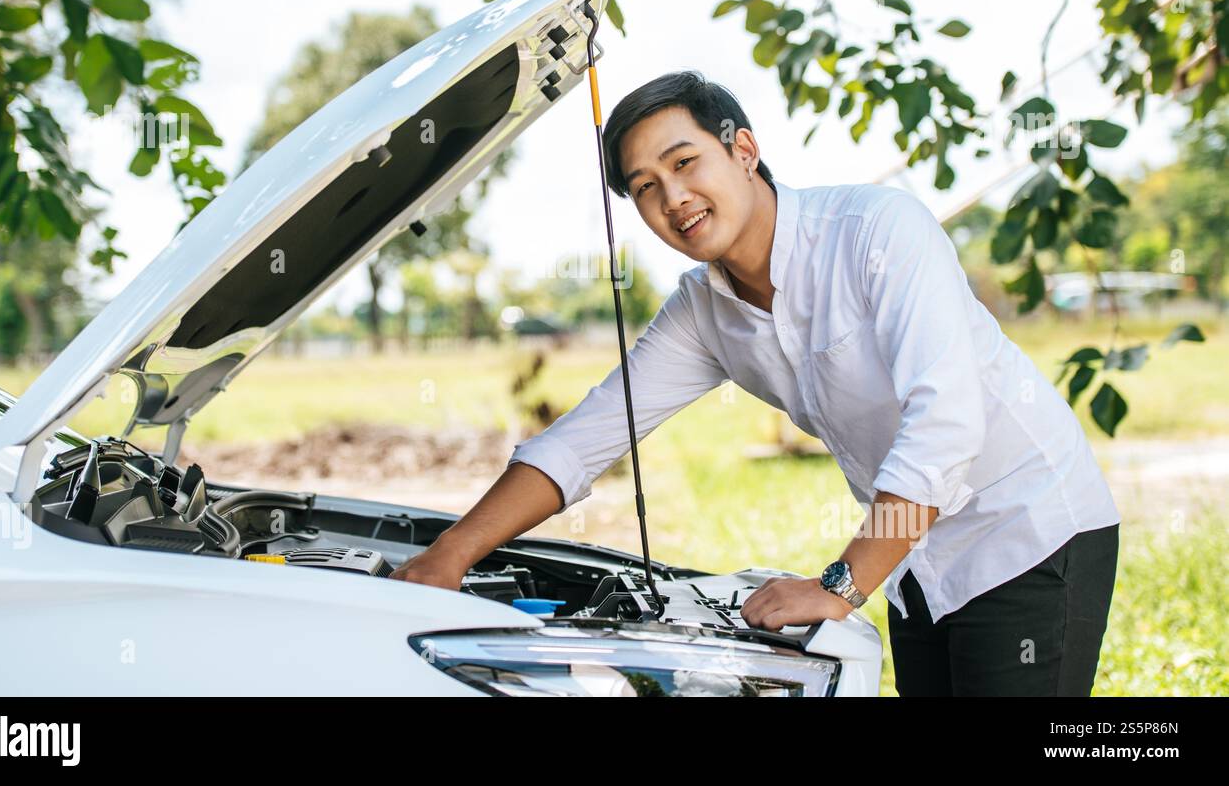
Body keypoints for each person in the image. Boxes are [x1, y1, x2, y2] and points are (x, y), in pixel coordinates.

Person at [391, 70, 1121, 697]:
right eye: (645, 187)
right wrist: (451, 553)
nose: (672, 197)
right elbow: (584, 439)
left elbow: (945, 425)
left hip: (1026, 528)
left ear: (744, 150)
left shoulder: (876, 231)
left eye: (685, 163)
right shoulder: (702, 312)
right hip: (914, 560)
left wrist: (840, 585)